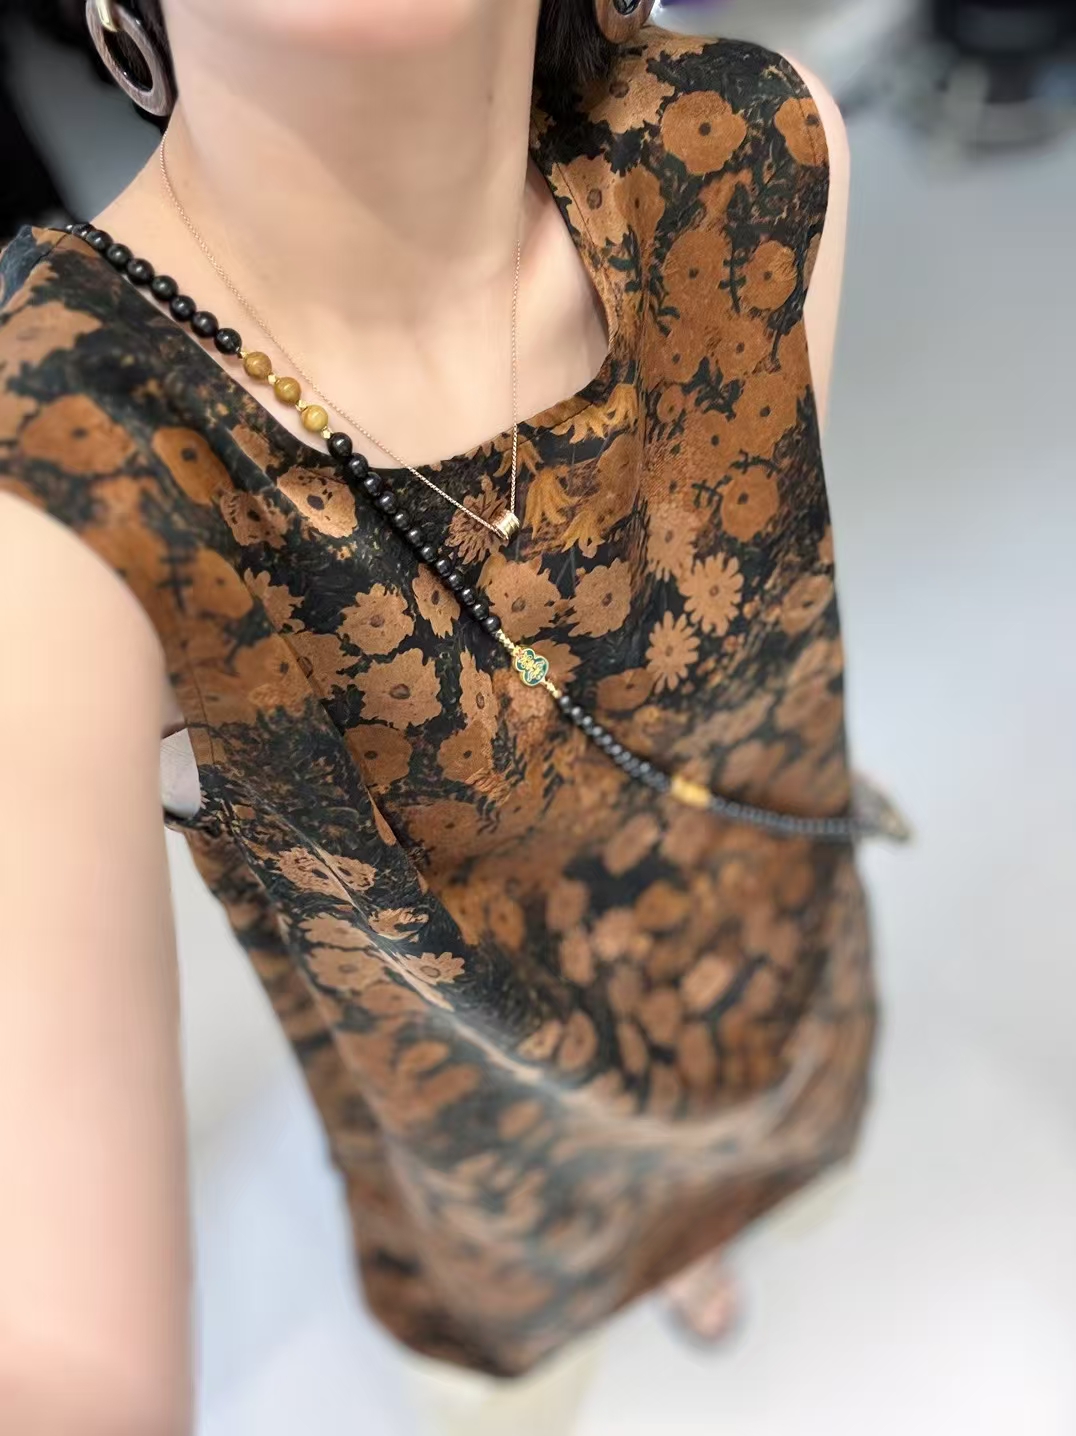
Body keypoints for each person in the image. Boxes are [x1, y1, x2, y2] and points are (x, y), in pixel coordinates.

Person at [0, 1, 883, 1431]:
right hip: (486, 1163)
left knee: (741, 1172)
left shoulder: (753, 141)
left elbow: (763, 667)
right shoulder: (69, 464)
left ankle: (697, 1228)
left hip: (763, 966)